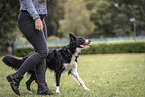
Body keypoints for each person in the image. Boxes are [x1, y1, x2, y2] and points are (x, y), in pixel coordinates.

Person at [6, 0, 54, 95]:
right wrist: (36, 18)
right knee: (42, 51)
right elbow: (27, 1)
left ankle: (42, 88)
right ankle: (16, 76)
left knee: (42, 52)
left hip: (40, 18)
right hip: (29, 18)